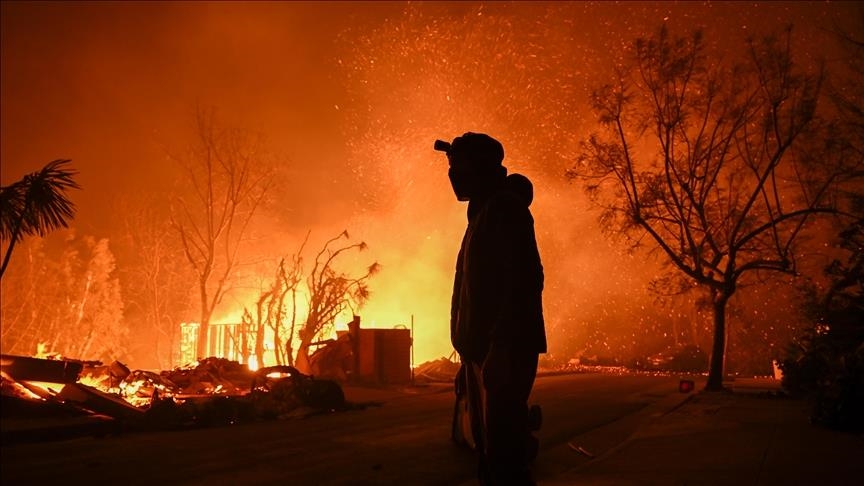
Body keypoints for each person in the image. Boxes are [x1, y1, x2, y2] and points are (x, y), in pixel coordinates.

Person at [437, 132, 547, 485]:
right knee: (491, 454)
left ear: (480, 168)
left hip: (503, 350)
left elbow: (524, 280)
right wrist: (469, 353)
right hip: (485, 352)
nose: (452, 175)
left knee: (504, 461)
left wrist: (499, 347)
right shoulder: (484, 212)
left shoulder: (503, 209)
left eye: (458, 167)